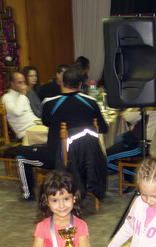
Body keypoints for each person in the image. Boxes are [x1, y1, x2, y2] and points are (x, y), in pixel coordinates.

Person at [15, 67, 108, 201]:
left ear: (61, 83)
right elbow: (103, 128)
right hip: (87, 158)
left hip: (58, 157)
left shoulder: (49, 103)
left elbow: (46, 123)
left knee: (20, 153)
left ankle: (27, 195)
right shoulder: (91, 102)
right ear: (80, 85)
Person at [1, 71, 38, 140]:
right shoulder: (7, 98)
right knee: (54, 136)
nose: (23, 85)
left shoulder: (22, 96)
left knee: (56, 130)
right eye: (20, 83)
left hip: (36, 125)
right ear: (12, 84)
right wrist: (22, 95)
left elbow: (30, 114)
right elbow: (17, 112)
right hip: (25, 132)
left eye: (24, 82)